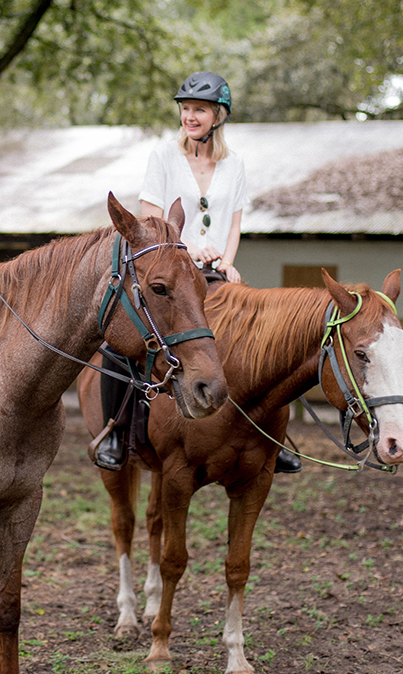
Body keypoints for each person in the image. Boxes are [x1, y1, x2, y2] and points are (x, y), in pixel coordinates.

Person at [94, 70, 301, 474]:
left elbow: (234, 222)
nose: (190, 116)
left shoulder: (235, 164)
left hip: (217, 273)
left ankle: (274, 437)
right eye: (186, 109)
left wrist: (227, 259)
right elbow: (150, 219)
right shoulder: (163, 158)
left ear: (218, 116)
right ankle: (115, 432)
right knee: (119, 344)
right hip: (172, 269)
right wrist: (188, 248)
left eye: (199, 110)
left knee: (262, 343)